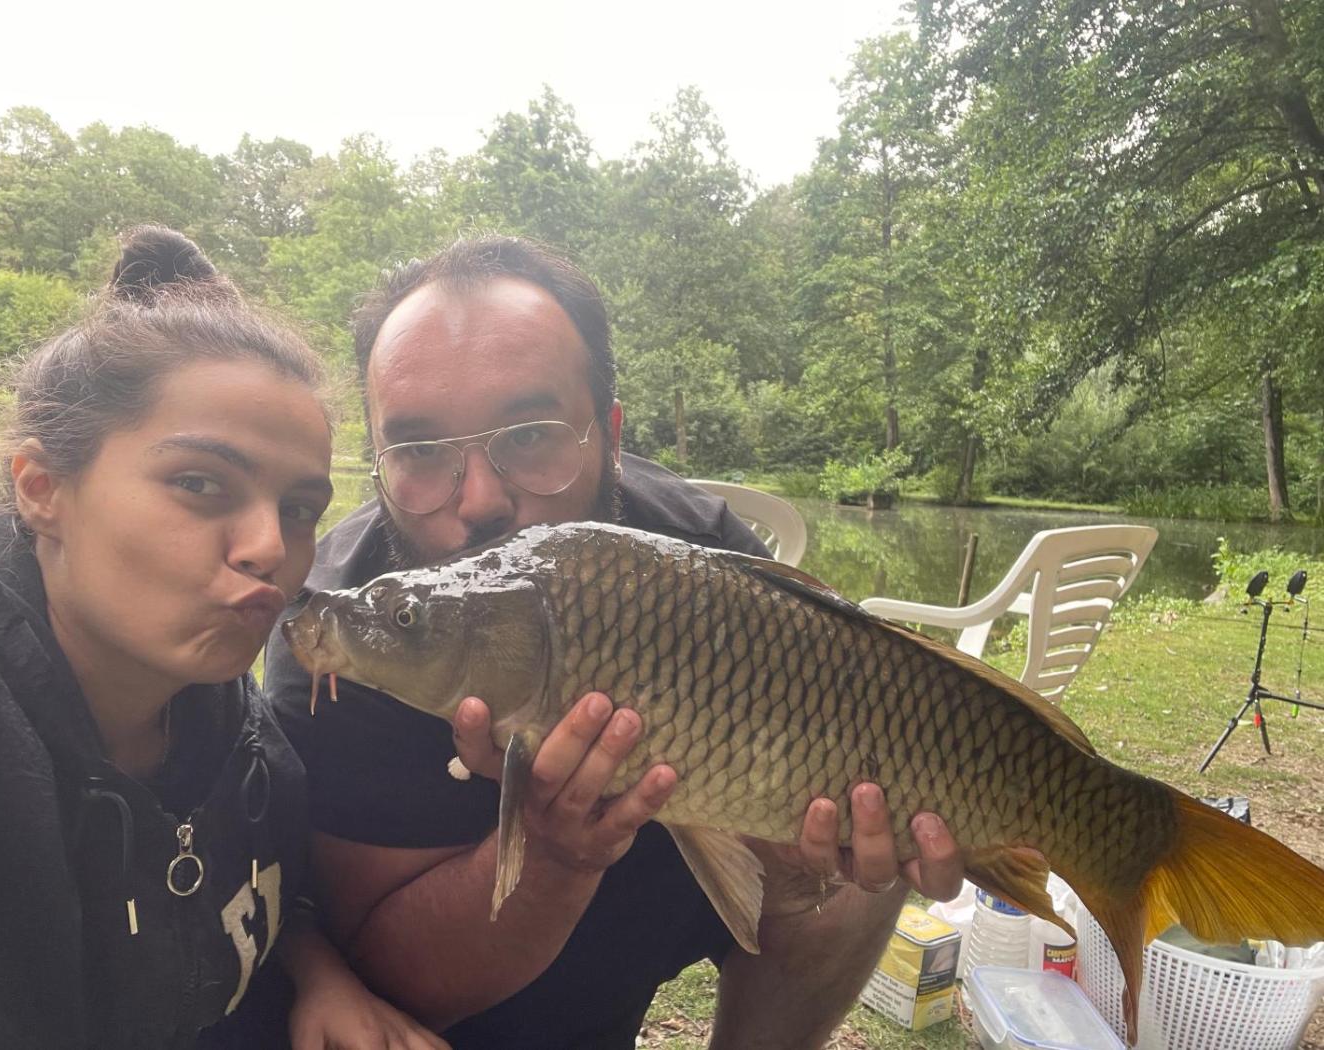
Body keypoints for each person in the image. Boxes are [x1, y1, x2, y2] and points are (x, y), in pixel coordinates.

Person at [264, 235, 965, 1050]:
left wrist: (802, 859)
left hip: (661, 877)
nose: (480, 499)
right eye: (419, 450)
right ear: (378, 461)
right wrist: (554, 855)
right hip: (457, 958)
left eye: (529, 434)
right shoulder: (347, 630)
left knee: (859, 848)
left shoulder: (700, 548)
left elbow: (792, 847)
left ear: (610, 435)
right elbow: (389, 981)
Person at [0, 227, 446, 1050]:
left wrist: (314, 970)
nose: (271, 548)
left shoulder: (230, 718)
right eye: (200, 484)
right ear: (43, 488)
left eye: (299, 509)